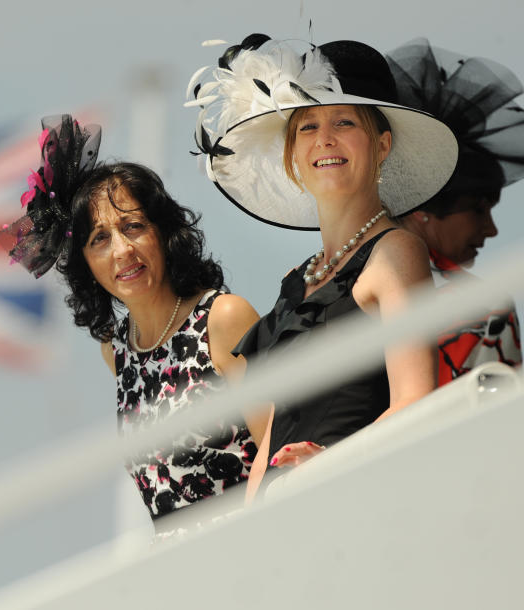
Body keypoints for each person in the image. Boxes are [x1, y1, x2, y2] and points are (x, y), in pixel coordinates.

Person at [185, 36, 458, 489]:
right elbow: (270, 441)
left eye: (344, 121)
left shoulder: (397, 251)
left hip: (351, 502)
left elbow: (416, 398)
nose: (324, 139)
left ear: (382, 144)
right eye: (307, 126)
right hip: (283, 522)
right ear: (293, 153)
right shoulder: (295, 282)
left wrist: (332, 462)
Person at [0, 115, 267, 530]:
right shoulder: (117, 352)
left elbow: (276, 440)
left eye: (134, 226)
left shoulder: (223, 318)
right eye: (100, 239)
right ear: (85, 264)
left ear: (163, 233)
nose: (122, 250)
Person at [387, 38, 523, 385]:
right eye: (478, 210)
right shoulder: (481, 309)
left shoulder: (330, 290)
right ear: (424, 206)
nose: (491, 230)